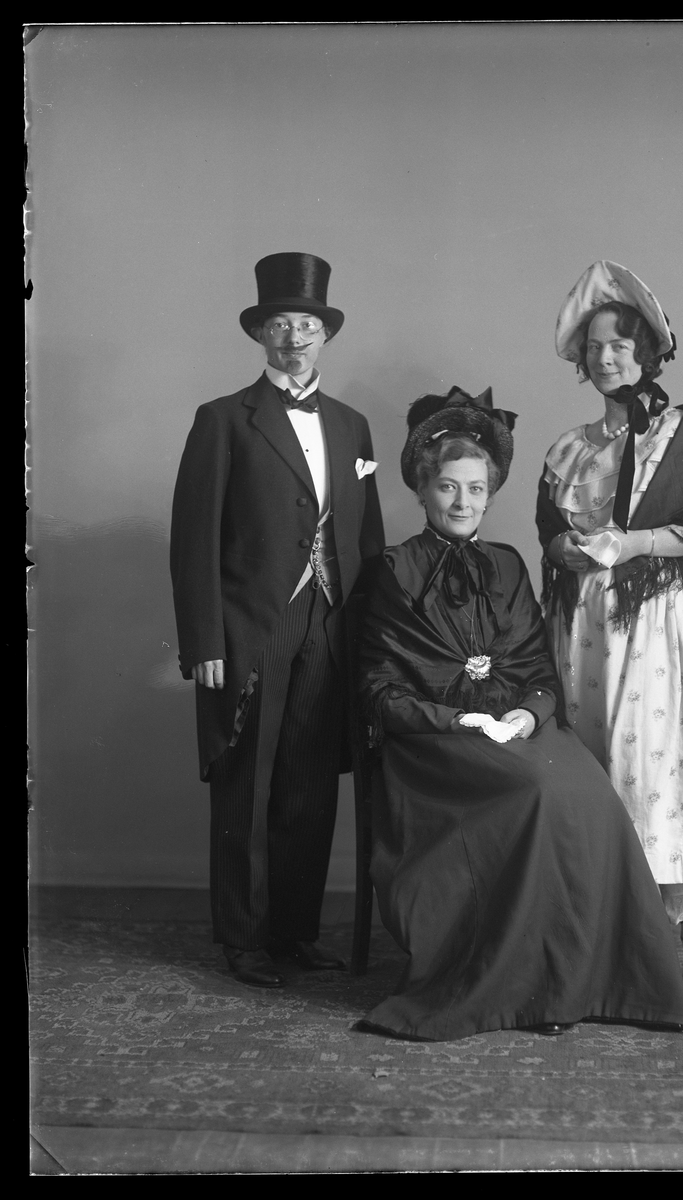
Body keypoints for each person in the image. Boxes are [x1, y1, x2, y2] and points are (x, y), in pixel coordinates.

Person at [357, 386, 683, 1042]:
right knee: (537, 791)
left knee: (590, 791)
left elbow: (539, 673)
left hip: (512, 729)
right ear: (423, 491)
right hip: (434, 744)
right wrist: (459, 721)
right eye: (448, 488)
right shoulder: (394, 570)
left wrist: (528, 718)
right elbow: (380, 688)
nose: (463, 503)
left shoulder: (507, 565)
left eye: (476, 489)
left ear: (490, 494)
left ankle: (591, 980)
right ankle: (529, 989)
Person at [537, 260, 683, 1003]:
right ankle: (603, 930)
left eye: (620, 345)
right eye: (594, 346)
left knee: (665, 767)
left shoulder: (682, 436)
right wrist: (564, 549)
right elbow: (551, 536)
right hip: (585, 628)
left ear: (647, 352)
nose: (606, 358)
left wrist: (633, 543)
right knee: (595, 765)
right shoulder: (569, 449)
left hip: (657, 624)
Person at [170, 253, 385, 987]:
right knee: (247, 785)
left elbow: (368, 541)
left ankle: (295, 931)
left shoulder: (353, 427)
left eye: (307, 326)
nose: (294, 338)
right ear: (260, 334)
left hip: (331, 622)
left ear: (326, 335)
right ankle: (244, 938)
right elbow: (193, 540)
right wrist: (204, 639)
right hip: (253, 626)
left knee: (309, 785)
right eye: (280, 325)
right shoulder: (223, 419)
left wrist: (370, 639)